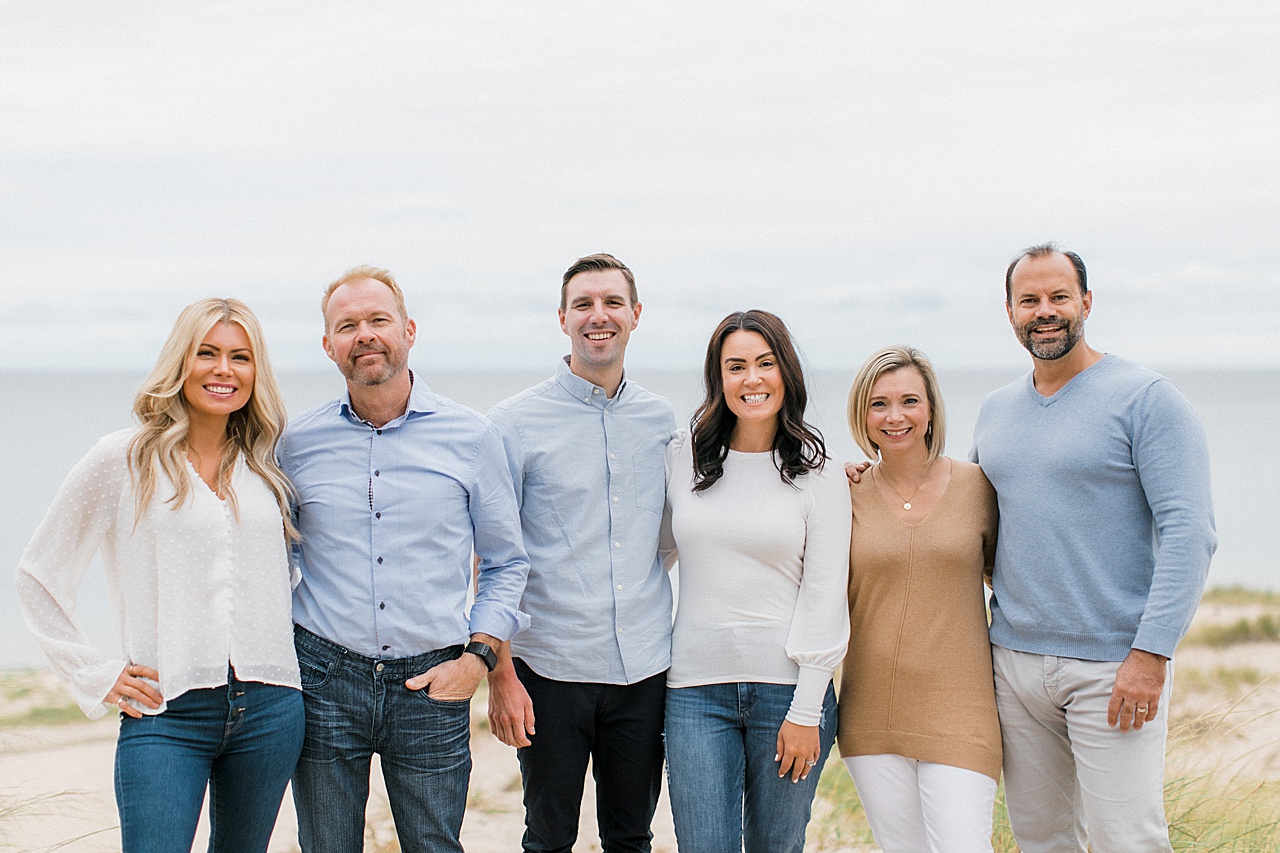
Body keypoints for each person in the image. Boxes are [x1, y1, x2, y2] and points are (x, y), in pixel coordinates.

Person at [15, 298, 304, 853]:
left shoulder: (267, 466)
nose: (224, 370)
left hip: (272, 708)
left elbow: (289, 577)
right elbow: (39, 573)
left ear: (255, 372)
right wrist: (95, 673)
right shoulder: (122, 460)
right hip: (166, 711)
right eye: (208, 353)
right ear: (181, 362)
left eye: (240, 357)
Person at [971, 243, 1216, 852]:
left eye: (1058, 296)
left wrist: (1151, 653)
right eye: (1029, 300)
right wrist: (866, 481)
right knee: (1040, 839)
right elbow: (965, 515)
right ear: (1009, 312)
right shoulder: (996, 411)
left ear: (1086, 302)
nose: (1045, 311)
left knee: (1127, 840)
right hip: (1014, 665)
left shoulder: (1147, 398)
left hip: (1114, 668)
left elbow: (1191, 532)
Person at [278, 265, 530, 853]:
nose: (364, 334)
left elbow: (505, 563)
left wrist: (477, 661)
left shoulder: (472, 436)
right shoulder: (294, 443)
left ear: (408, 330)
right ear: (328, 345)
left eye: (377, 320)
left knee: (434, 846)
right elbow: (266, 557)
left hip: (434, 679)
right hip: (323, 678)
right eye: (347, 325)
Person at [485, 253, 676, 853]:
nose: (600, 316)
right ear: (563, 318)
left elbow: (670, 538)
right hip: (551, 670)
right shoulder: (512, 424)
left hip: (644, 668)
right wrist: (502, 675)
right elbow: (493, 560)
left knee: (632, 837)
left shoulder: (661, 421)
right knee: (547, 838)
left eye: (613, 303)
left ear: (636, 315)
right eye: (584, 304)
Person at [662, 309, 851, 853]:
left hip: (787, 692)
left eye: (765, 364)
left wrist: (806, 708)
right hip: (694, 694)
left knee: (777, 847)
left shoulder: (822, 471)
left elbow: (825, 591)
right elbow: (652, 554)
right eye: (736, 366)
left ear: (785, 372)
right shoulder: (683, 456)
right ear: (718, 380)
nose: (752, 379)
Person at [839, 345, 1001, 853]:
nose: (895, 416)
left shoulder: (979, 486)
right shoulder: (841, 492)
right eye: (879, 403)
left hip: (962, 713)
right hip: (871, 716)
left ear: (931, 409)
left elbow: (1016, 581)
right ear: (862, 415)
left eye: (909, 400)